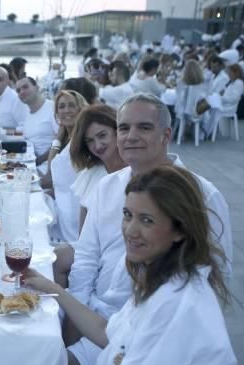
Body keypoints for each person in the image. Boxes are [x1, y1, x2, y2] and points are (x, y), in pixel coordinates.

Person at [0, 165, 236, 365]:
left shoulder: (177, 306)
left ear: (179, 230)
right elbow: (106, 331)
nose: (131, 230)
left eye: (147, 220)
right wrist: (52, 288)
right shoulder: (168, 278)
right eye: (128, 215)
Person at [64, 94, 232, 349]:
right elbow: (87, 256)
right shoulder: (107, 186)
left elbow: (217, 274)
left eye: (144, 127)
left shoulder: (201, 194)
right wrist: (76, 316)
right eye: (123, 128)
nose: (131, 136)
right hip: (97, 316)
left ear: (166, 135)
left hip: (150, 334)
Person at [53, 105, 127, 288]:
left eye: (102, 135)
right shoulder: (92, 174)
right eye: (90, 141)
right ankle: (61, 313)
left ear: (117, 131)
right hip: (94, 247)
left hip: (122, 250)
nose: (97, 145)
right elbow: (83, 233)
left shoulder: (132, 170)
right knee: (54, 258)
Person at [48, 90, 89, 243]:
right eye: (61, 107)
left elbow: (49, 174)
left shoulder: (84, 140)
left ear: (80, 109)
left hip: (75, 214)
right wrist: (59, 137)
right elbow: (51, 168)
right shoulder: (68, 137)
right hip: (63, 208)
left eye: (71, 105)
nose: (66, 110)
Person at [16, 76, 59, 171]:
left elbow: (62, 140)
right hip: (31, 162)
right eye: (18, 90)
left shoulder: (52, 108)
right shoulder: (27, 113)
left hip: (50, 164)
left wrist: (38, 161)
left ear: (37, 87)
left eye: (25, 87)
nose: (22, 92)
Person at [204, 64, 244, 136]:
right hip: (224, 103)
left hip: (229, 106)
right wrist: (220, 95)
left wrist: (220, 98)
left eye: (230, 72)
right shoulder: (232, 82)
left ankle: (207, 131)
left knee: (211, 108)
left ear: (235, 73)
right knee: (208, 106)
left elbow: (233, 99)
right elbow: (226, 94)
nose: (228, 74)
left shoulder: (239, 83)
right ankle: (207, 129)